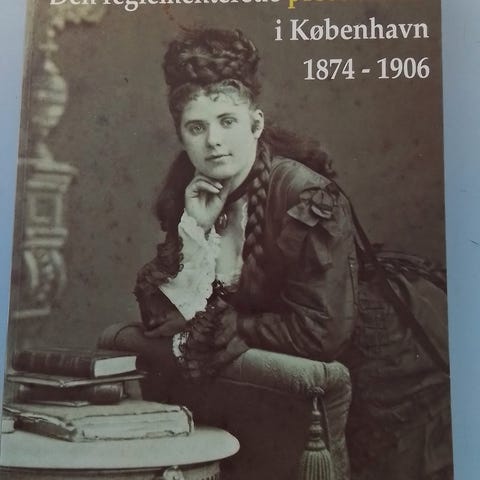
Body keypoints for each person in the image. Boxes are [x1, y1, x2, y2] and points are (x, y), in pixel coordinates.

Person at [133, 28, 452, 480]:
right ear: (182, 136)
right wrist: (195, 229)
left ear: (255, 124)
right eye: (197, 127)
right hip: (285, 373)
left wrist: (227, 327)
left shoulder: (305, 196)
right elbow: (164, 316)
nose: (214, 141)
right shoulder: (189, 190)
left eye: (227, 121)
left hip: (381, 369)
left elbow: (321, 333)